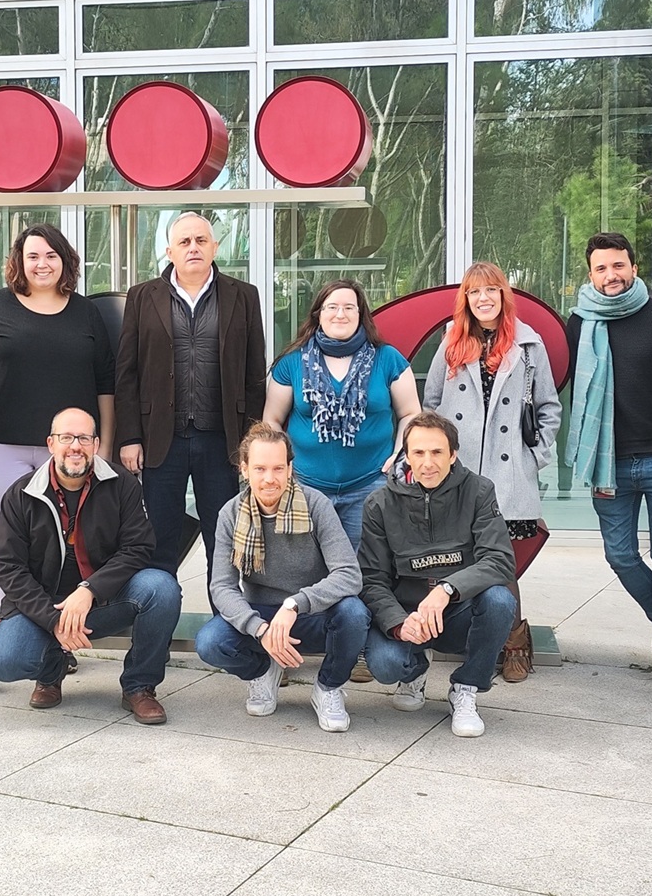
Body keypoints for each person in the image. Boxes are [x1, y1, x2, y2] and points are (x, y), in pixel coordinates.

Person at [0, 406, 181, 723]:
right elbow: (9, 568)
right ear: (51, 444)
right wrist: (53, 620)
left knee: (161, 589)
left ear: (95, 443)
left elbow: (138, 547)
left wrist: (89, 590)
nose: (75, 446)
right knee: (4, 660)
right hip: (44, 608)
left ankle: (139, 686)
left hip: (103, 601)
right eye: (66, 437)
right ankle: (51, 671)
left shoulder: (122, 484)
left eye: (83, 438)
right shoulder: (21, 495)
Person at [423, 261, 560, 681]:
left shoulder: (528, 346)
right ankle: (465, 636)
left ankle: (515, 642)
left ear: (503, 295)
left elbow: (548, 408)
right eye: (474, 292)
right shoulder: (451, 342)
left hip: (507, 475)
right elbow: (430, 403)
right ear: (465, 299)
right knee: (454, 557)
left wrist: (533, 457)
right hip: (457, 473)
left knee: (502, 564)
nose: (483, 299)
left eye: (491, 291)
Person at [115, 212, 270, 579]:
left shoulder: (243, 296)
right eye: (184, 242)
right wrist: (130, 437)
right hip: (159, 439)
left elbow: (253, 375)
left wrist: (250, 443)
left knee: (223, 539)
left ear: (215, 248)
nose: (193, 248)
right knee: (159, 541)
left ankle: (226, 629)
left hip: (221, 441)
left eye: (201, 241)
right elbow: (127, 373)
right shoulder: (142, 297)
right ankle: (158, 628)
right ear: (170, 251)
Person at [562, 235, 652, 686]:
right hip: (608, 463)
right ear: (590, 274)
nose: (611, 275)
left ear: (633, 267)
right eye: (601, 268)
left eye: (618, 266)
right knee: (620, 555)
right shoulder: (579, 323)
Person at [195, 422, 369, 733]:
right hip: (261, 616)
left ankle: (328, 687)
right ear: (244, 469)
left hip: (311, 614)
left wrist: (295, 604)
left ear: (290, 468)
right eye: (260, 469)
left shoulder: (316, 504)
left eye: (278, 468)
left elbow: (348, 574)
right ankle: (264, 670)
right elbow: (222, 586)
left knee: (355, 613)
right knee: (210, 642)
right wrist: (259, 629)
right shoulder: (231, 514)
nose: (269, 479)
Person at [358, 411, 520, 738]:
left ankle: (466, 687)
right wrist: (400, 623)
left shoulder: (478, 491)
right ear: (406, 455)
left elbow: (501, 560)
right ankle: (414, 671)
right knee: (386, 665)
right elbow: (372, 579)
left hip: (458, 613)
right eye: (418, 452)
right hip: (409, 616)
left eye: (437, 452)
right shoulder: (379, 503)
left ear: (453, 454)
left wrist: (447, 589)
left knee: (501, 600)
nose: (427, 462)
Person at [0, 223, 116, 537]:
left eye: (51, 255)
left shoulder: (86, 312)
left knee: (64, 539)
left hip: (68, 447)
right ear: (19, 261)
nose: (42, 264)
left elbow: (105, 384)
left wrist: (105, 445)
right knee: (7, 541)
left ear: (65, 261)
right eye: (33, 256)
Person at [264, 278, 420, 546]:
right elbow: (272, 421)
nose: (340, 314)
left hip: (370, 486)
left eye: (349, 307)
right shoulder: (291, 363)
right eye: (332, 307)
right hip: (306, 488)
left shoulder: (388, 359)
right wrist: (282, 467)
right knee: (310, 571)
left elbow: (410, 414)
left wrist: (400, 454)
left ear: (361, 315)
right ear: (319, 314)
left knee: (364, 572)